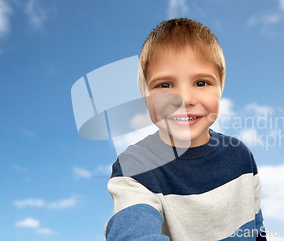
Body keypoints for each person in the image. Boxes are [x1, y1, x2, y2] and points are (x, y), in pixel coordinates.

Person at [104, 18, 266, 241]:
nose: (184, 99)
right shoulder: (135, 166)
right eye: (165, 85)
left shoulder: (241, 157)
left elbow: (257, 230)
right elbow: (133, 232)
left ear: (220, 89)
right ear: (145, 97)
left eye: (201, 83)